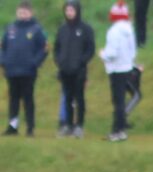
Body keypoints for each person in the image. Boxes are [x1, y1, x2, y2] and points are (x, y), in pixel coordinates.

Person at [2, 1, 48, 137]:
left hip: (28, 71)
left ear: (30, 13)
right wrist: (3, 62)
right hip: (11, 70)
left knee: (28, 100)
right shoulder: (10, 28)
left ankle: (30, 128)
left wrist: (35, 62)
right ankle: (13, 126)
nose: (22, 14)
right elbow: (2, 47)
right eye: (20, 12)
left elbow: (44, 49)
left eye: (25, 12)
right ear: (17, 12)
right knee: (13, 99)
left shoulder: (36, 29)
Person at [53, 1, 93, 138]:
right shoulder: (62, 29)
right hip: (65, 70)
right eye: (67, 10)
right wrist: (59, 61)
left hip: (79, 70)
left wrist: (82, 61)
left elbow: (90, 49)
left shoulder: (85, 29)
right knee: (67, 98)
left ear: (77, 11)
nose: (69, 13)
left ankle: (79, 126)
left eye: (71, 10)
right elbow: (57, 48)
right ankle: (68, 125)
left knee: (79, 98)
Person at [99, 1, 135, 142]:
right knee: (121, 99)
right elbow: (133, 51)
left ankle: (118, 130)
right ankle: (121, 129)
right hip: (126, 67)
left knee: (117, 101)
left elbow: (112, 53)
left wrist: (102, 54)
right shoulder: (129, 30)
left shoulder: (114, 31)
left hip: (115, 68)